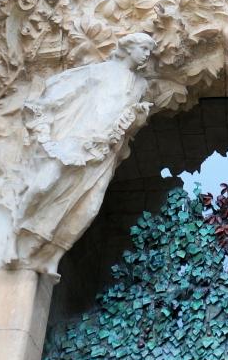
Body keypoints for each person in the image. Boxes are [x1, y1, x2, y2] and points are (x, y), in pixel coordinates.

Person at [8, 34, 155, 275]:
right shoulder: (101, 70)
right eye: (144, 48)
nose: (147, 54)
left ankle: (52, 254)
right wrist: (42, 113)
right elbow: (65, 89)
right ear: (129, 48)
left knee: (89, 207)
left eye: (150, 50)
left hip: (105, 151)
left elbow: (128, 126)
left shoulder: (140, 85)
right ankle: (13, 236)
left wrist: (137, 117)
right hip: (76, 140)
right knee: (44, 185)